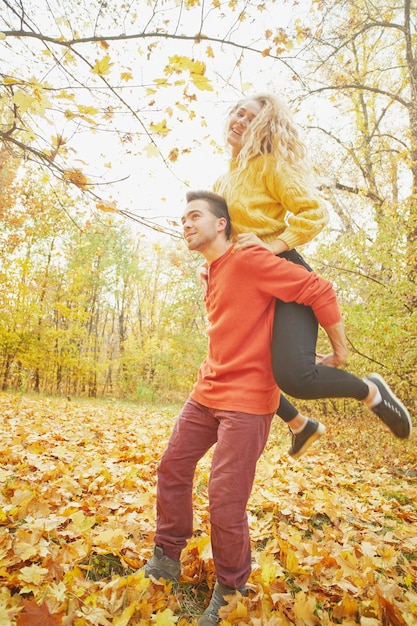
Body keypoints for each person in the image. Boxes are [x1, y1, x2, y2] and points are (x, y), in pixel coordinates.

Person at [142, 191, 411, 626]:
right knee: (172, 467)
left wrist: (339, 350)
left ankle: (231, 588)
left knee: (225, 499)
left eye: (195, 216)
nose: (186, 224)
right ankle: (165, 558)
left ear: (222, 224)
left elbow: (316, 287)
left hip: (247, 403)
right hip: (205, 392)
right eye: (182, 218)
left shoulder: (250, 260)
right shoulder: (209, 271)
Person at [210, 92, 411, 458]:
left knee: (294, 376)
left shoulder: (270, 165)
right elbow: (220, 234)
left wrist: (274, 245)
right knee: (241, 368)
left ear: (264, 129)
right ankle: (300, 425)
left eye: (251, 117)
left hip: (285, 275)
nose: (240, 120)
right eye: (238, 112)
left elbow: (314, 212)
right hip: (249, 285)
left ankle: (371, 391)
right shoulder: (222, 183)